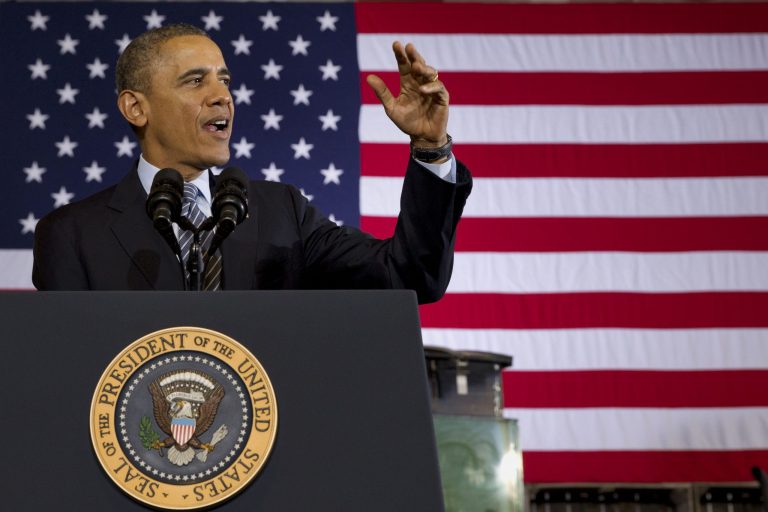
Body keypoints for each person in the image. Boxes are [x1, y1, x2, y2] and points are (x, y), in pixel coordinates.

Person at [32, 24, 472, 303]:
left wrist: (430, 148)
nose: (222, 94)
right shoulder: (72, 234)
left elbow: (411, 276)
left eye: (224, 80)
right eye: (194, 81)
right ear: (135, 108)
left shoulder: (283, 211)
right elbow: (65, 373)